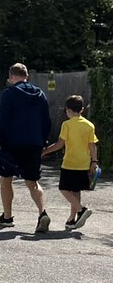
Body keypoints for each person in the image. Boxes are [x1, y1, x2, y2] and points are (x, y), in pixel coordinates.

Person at [0, 63, 54, 233]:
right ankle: (42, 213)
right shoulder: (40, 94)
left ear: (11, 77)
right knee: (32, 181)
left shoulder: (8, 93)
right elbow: (46, 121)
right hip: (34, 143)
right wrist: (43, 142)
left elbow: (3, 119)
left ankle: (7, 216)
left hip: (12, 143)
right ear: (27, 76)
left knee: (6, 178)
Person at [41, 94, 99, 230]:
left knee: (64, 188)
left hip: (70, 162)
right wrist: (94, 161)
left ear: (68, 110)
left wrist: (44, 151)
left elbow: (60, 144)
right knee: (76, 190)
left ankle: (81, 209)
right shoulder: (89, 125)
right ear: (82, 109)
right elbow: (92, 145)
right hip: (84, 163)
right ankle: (72, 219)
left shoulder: (66, 124)